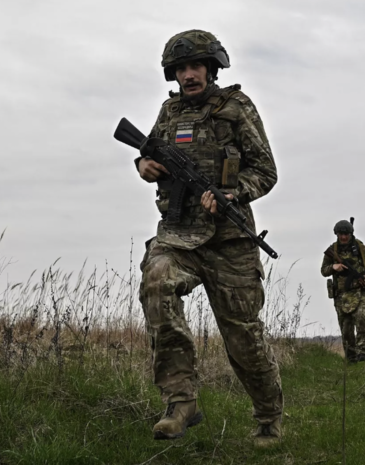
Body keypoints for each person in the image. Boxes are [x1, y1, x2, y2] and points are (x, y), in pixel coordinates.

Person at [136, 30, 282, 447]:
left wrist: (235, 193)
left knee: (244, 338)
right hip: (178, 237)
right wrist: (143, 164)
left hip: (230, 240)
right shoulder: (169, 112)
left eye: (195, 66)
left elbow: (265, 171)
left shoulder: (236, 109)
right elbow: (150, 151)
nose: (188, 74)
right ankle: (180, 401)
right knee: (157, 283)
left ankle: (269, 416)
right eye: (181, 68)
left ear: (212, 67)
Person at [321, 220, 365, 363]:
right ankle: (351, 357)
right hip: (341, 295)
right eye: (341, 234)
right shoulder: (332, 250)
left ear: (350, 234)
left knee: (362, 320)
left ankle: (363, 354)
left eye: (346, 234)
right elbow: (324, 270)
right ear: (337, 234)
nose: (343, 237)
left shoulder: (361, 248)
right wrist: (334, 267)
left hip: (360, 292)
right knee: (346, 328)